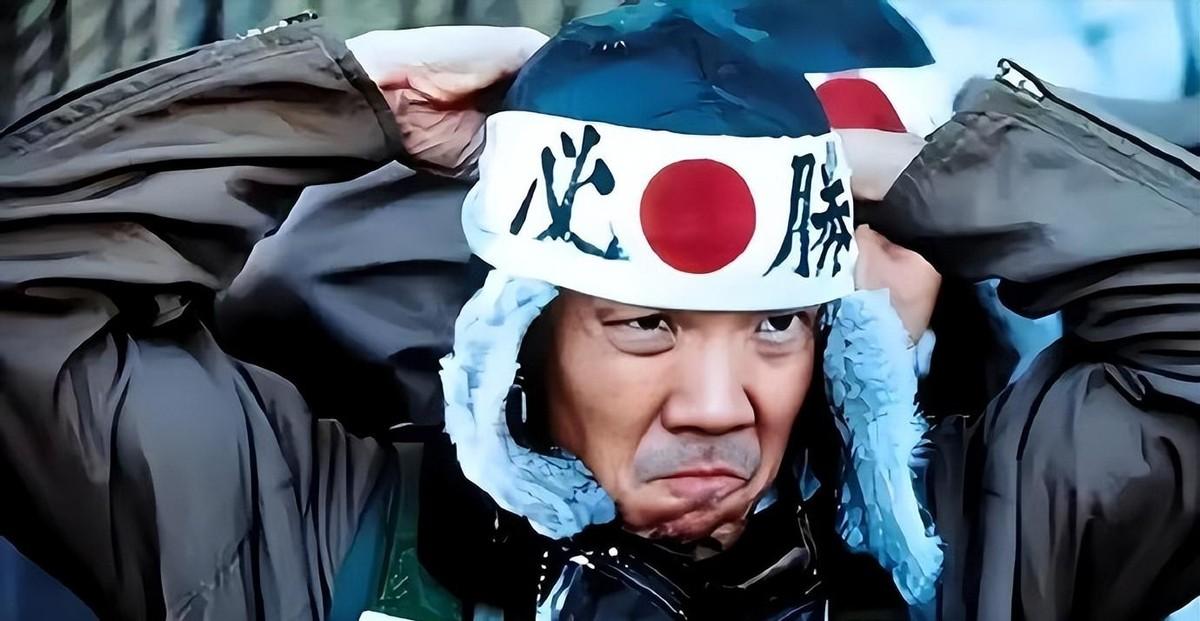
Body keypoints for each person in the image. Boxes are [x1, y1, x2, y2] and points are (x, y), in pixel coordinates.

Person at [2, 5, 1197, 621]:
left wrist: (912, 170)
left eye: (775, 325)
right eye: (647, 325)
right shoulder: (299, 533)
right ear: (523, 338)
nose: (720, 407)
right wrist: (350, 98)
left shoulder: (975, 550)